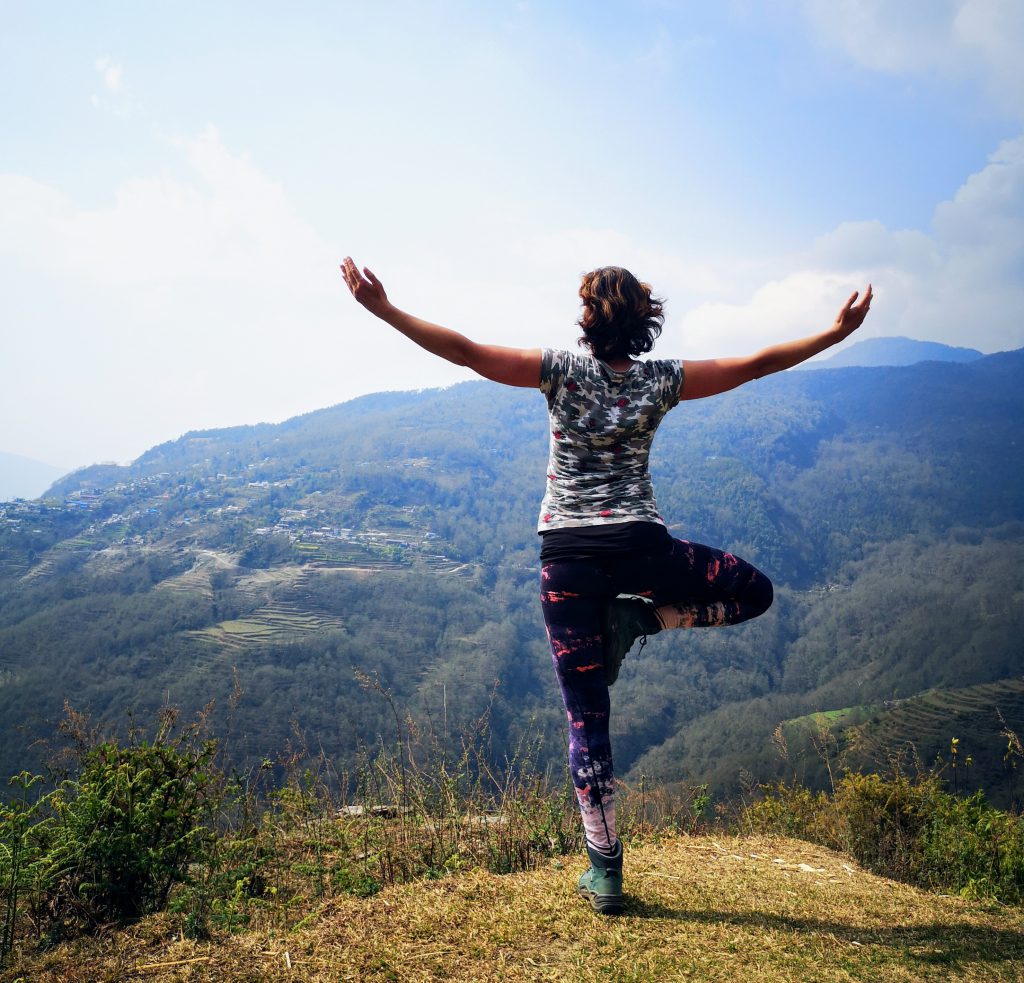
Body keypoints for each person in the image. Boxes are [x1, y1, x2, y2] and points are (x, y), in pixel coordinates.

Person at [341, 257, 872, 915]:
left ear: (588, 320)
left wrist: (385, 310)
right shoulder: (662, 380)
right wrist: (833, 334)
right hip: (642, 551)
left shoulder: (560, 373)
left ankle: (607, 872)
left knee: (587, 718)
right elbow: (757, 363)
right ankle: (645, 621)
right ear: (645, 322)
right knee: (753, 590)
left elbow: (467, 352)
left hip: (566, 562)